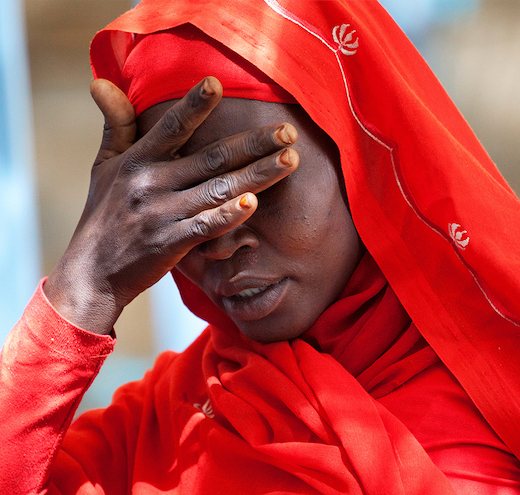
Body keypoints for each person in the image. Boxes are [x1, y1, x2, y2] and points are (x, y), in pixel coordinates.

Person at [1, 0, 520, 493]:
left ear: (359, 160)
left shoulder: (494, 393)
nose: (221, 242)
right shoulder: (163, 424)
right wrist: (84, 287)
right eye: (184, 204)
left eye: (261, 186)